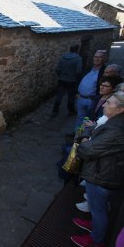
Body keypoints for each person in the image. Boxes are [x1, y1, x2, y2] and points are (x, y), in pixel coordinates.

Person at [71, 91, 124, 247]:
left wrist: (86, 134)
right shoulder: (115, 123)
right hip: (105, 170)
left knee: (98, 209)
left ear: (120, 109)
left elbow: (86, 150)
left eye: (109, 103)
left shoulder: (116, 129)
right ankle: (94, 225)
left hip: (102, 175)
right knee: (97, 208)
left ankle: (96, 240)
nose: (104, 105)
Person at [75, 50, 107, 128]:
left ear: (104, 59)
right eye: (95, 57)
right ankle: (77, 134)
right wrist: (77, 93)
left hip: (91, 100)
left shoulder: (104, 72)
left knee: (88, 120)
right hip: (81, 98)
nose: (97, 59)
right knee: (80, 118)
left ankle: (82, 136)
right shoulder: (88, 68)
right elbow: (79, 79)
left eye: (100, 57)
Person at [52, 44, 82, 117]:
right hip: (72, 81)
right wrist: (77, 79)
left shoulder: (63, 57)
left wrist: (61, 76)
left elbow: (57, 69)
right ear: (77, 50)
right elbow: (78, 71)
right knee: (71, 97)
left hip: (62, 80)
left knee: (59, 96)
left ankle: (54, 111)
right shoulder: (78, 59)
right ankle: (71, 111)